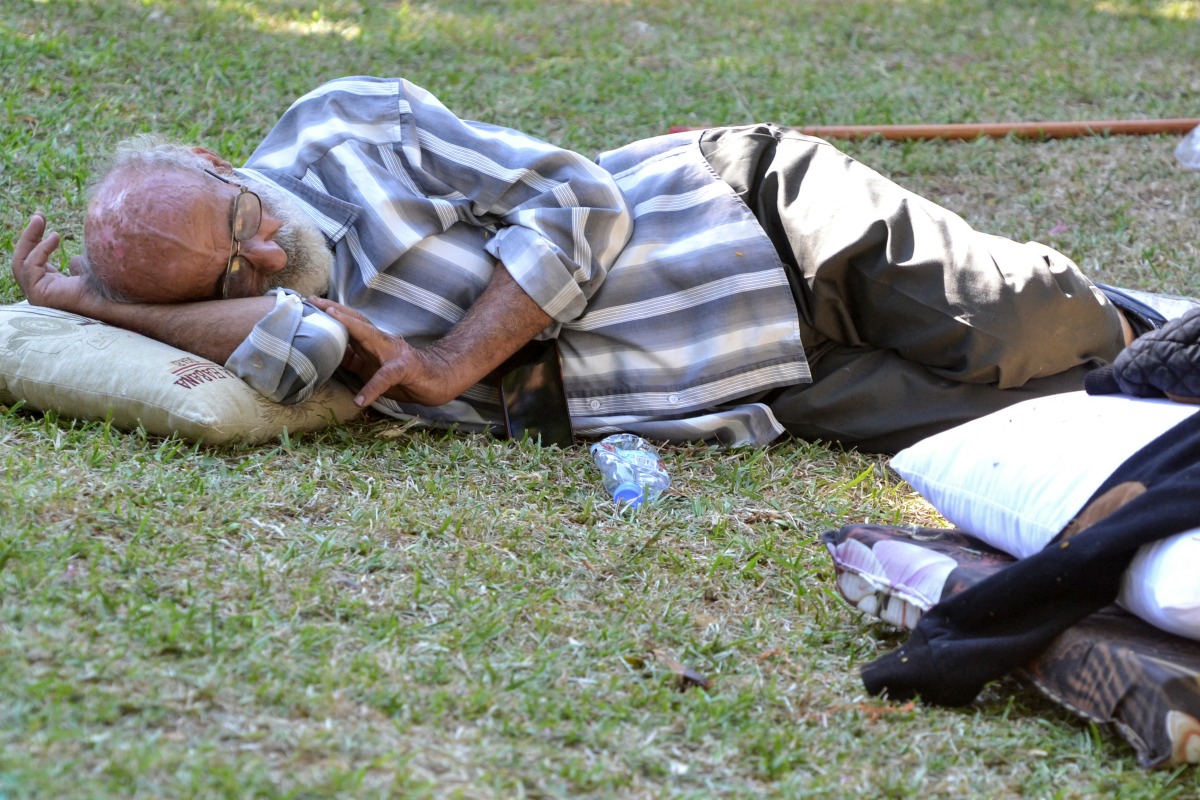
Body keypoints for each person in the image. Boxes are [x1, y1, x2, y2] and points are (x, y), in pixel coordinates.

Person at [11, 76, 1140, 452]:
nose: (267, 255)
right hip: (716, 378)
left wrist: (453, 357)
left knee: (1041, 332)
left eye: (242, 213)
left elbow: (577, 194)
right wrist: (82, 306)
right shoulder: (252, 310)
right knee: (1059, 417)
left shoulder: (341, 122)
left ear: (220, 159)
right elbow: (299, 351)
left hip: (749, 219)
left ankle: (1139, 314)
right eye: (229, 275)